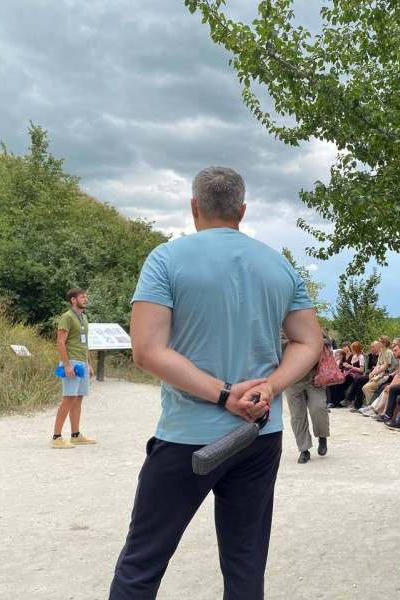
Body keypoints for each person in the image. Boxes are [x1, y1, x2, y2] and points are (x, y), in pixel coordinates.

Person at [109, 166, 322, 600]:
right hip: (259, 434)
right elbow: (308, 341)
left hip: (189, 436)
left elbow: (147, 350)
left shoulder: (166, 259)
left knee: (142, 563)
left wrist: (224, 395)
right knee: (246, 565)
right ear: (242, 210)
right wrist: (270, 387)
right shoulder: (279, 265)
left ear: (194, 207)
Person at [50, 287, 95, 449]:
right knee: (69, 397)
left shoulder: (84, 317)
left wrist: (90, 364)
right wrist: (67, 364)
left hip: (82, 361)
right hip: (72, 361)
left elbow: (85, 343)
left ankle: (75, 435)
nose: (86, 299)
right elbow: (60, 342)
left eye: (86, 296)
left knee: (78, 398)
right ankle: (56, 437)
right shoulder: (67, 317)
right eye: (82, 297)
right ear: (73, 300)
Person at [284, 334, 330, 464]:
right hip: (292, 380)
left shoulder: (306, 324)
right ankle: (304, 449)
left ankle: (322, 435)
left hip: (314, 376)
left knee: (319, 408)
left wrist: (314, 340)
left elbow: (326, 340)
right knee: (297, 416)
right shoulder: (279, 330)